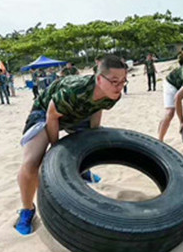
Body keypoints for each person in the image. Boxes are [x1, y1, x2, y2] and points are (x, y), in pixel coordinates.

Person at [15, 55, 128, 235]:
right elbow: (52, 115)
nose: (119, 86)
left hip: (76, 115)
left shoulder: (114, 95)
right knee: (31, 164)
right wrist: (55, 148)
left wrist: (92, 137)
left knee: (92, 139)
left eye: (123, 81)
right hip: (45, 113)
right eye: (114, 81)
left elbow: (96, 108)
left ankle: (83, 170)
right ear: (99, 78)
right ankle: (27, 210)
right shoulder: (74, 90)